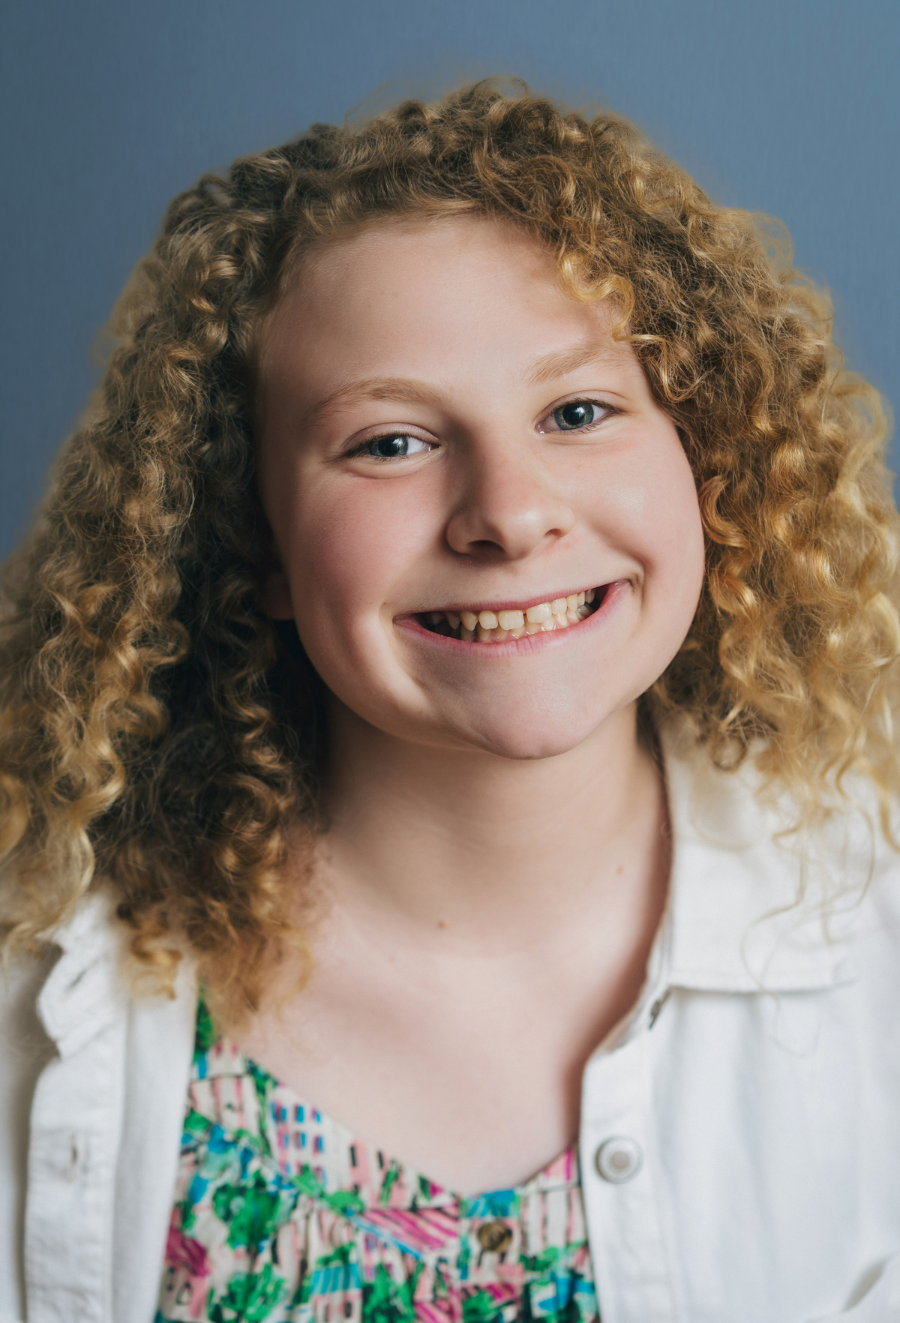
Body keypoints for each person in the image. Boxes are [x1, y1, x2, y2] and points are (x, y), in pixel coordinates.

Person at [1, 78, 899, 1323]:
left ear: (706, 459)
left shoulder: (880, 940)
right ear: (252, 540)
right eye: (390, 442)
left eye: (577, 411)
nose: (511, 515)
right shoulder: (31, 979)